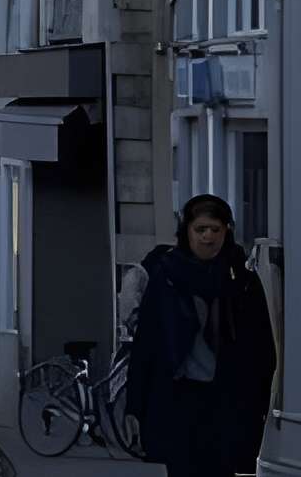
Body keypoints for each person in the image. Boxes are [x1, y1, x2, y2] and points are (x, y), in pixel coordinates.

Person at [122, 194, 277, 477]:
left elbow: (262, 350)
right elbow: (147, 345)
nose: (208, 238)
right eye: (201, 230)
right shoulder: (167, 276)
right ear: (187, 231)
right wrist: (135, 406)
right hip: (178, 399)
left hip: (226, 401)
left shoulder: (241, 280)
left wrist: (258, 407)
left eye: (215, 230)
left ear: (226, 231)